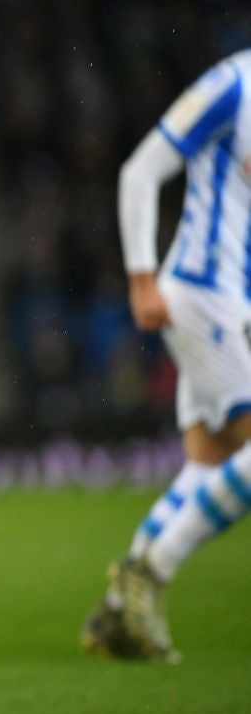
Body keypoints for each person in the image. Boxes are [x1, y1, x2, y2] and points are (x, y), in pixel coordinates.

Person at [81, 49, 251, 664]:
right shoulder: (234, 84)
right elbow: (141, 171)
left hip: (234, 305)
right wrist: (141, 276)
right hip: (203, 294)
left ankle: (120, 615)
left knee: (212, 462)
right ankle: (146, 576)